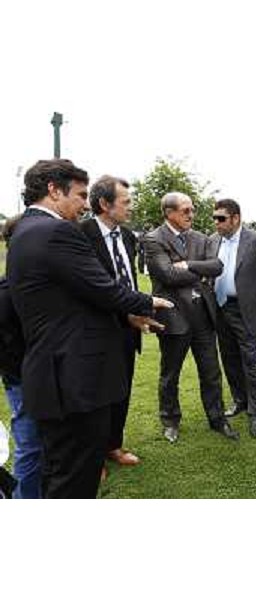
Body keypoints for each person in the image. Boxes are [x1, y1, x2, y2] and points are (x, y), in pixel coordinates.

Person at [6, 159, 171, 498]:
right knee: (74, 482)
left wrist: (125, 315)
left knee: (58, 473)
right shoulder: (56, 231)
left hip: (55, 376)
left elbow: (71, 298)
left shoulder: (24, 231)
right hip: (74, 382)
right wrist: (147, 302)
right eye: (80, 195)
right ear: (53, 190)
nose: (85, 203)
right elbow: (103, 288)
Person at [143, 192, 238, 443]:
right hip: (174, 316)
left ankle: (217, 419)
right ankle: (170, 420)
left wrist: (187, 265)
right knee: (170, 373)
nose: (191, 215)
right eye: (185, 210)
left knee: (211, 372)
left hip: (203, 316)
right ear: (169, 213)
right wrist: (199, 270)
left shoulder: (200, 237)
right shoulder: (153, 239)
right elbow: (167, 276)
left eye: (192, 210)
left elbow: (217, 266)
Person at [81, 176, 144, 472]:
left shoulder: (128, 237)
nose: (131, 207)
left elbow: (127, 279)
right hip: (96, 330)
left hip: (128, 327)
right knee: (96, 396)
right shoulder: (79, 234)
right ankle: (93, 458)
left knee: (121, 389)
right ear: (105, 204)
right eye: (126, 202)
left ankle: (112, 446)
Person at [213, 199, 256, 438]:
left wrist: (252, 295)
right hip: (220, 309)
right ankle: (240, 400)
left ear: (235, 218)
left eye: (221, 218)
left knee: (251, 361)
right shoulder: (213, 240)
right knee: (229, 358)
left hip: (246, 310)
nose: (216, 223)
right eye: (215, 218)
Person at [1, 216, 42, 499]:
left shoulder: (43, 285)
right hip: (23, 380)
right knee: (31, 446)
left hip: (51, 378)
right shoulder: (5, 293)